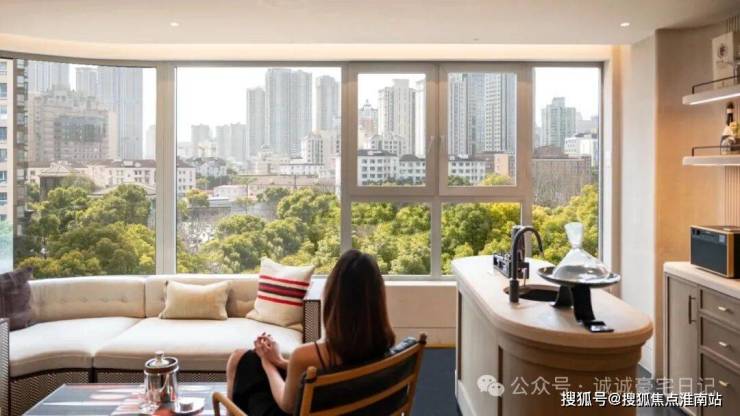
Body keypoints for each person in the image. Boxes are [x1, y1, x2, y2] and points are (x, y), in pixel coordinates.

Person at [226, 249, 396, 415]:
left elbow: (287, 405)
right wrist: (279, 361)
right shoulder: (387, 350)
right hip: (350, 405)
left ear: (334, 299)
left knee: (245, 370)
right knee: (243, 357)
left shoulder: (306, 355)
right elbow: (336, 372)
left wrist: (267, 363)